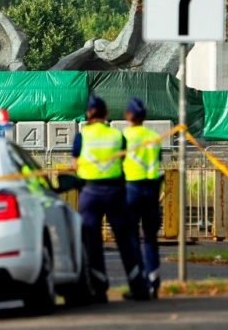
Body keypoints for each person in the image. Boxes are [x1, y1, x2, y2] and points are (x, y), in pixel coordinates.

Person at [71, 94, 149, 302]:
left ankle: (99, 290)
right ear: (106, 114)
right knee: (126, 241)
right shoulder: (117, 134)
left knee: (92, 243)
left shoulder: (82, 135)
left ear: (88, 113)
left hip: (90, 193)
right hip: (115, 192)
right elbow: (123, 161)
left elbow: (75, 163)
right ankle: (139, 287)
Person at [122, 97, 163, 300]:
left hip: (131, 189)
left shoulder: (124, 137)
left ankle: (138, 285)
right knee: (150, 238)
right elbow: (158, 160)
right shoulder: (153, 136)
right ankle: (153, 281)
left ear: (127, 115)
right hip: (151, 189)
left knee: (131, 238)